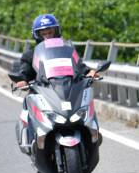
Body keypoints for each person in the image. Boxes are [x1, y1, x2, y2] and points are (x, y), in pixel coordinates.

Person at [13, 14, 97, 152]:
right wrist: (22, 80)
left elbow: (78, 65)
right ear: (37, 35)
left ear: (56, 31)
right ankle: (30, 140)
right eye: (43, 33)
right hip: (43, 91)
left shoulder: (67, 49)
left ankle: (91, 133)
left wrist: (89, 72)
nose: (47, 36)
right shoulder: (31, 54)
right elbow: (24, 70)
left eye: (50, 32)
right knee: (28, 106)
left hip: (66, 89)